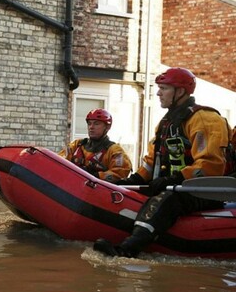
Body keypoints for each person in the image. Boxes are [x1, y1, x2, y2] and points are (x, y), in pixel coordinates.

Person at [94, 67, 230, 258]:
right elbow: (152, 162)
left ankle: (128, 249)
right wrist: (130, 181)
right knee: (144, 192)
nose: (158, 92)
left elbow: (210, 165)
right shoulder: (166, 122)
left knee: (167, 198)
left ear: (180, 91)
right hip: (174, 185)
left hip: (201, 189)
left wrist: (174, 180)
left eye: (164, 88)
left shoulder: (204, 119)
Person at [59, 108, 132, 182]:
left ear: (107, 127)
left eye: (96, 124)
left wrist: (95, 176)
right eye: (89, 123)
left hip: (97, 190)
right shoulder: (77, 145)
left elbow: (119, 174)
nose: (91, 127)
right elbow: (59, 161)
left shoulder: (115, 151)